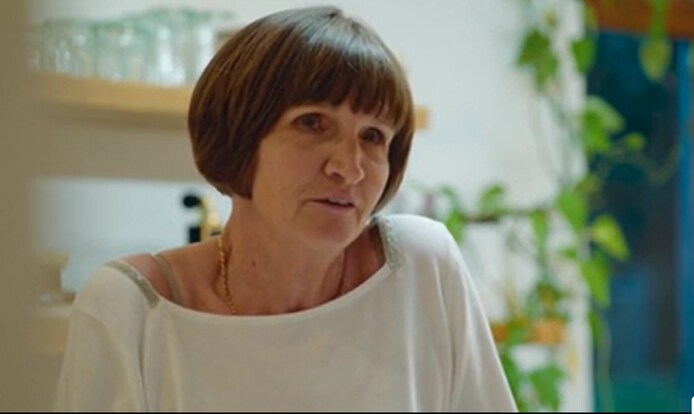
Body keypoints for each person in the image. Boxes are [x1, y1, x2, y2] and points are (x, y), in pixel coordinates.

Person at [53, 5, 517, 412]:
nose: (349, 168)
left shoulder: (420, 267)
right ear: (239, 137)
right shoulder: (132, 307)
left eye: (373, 136)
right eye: (312, 123)